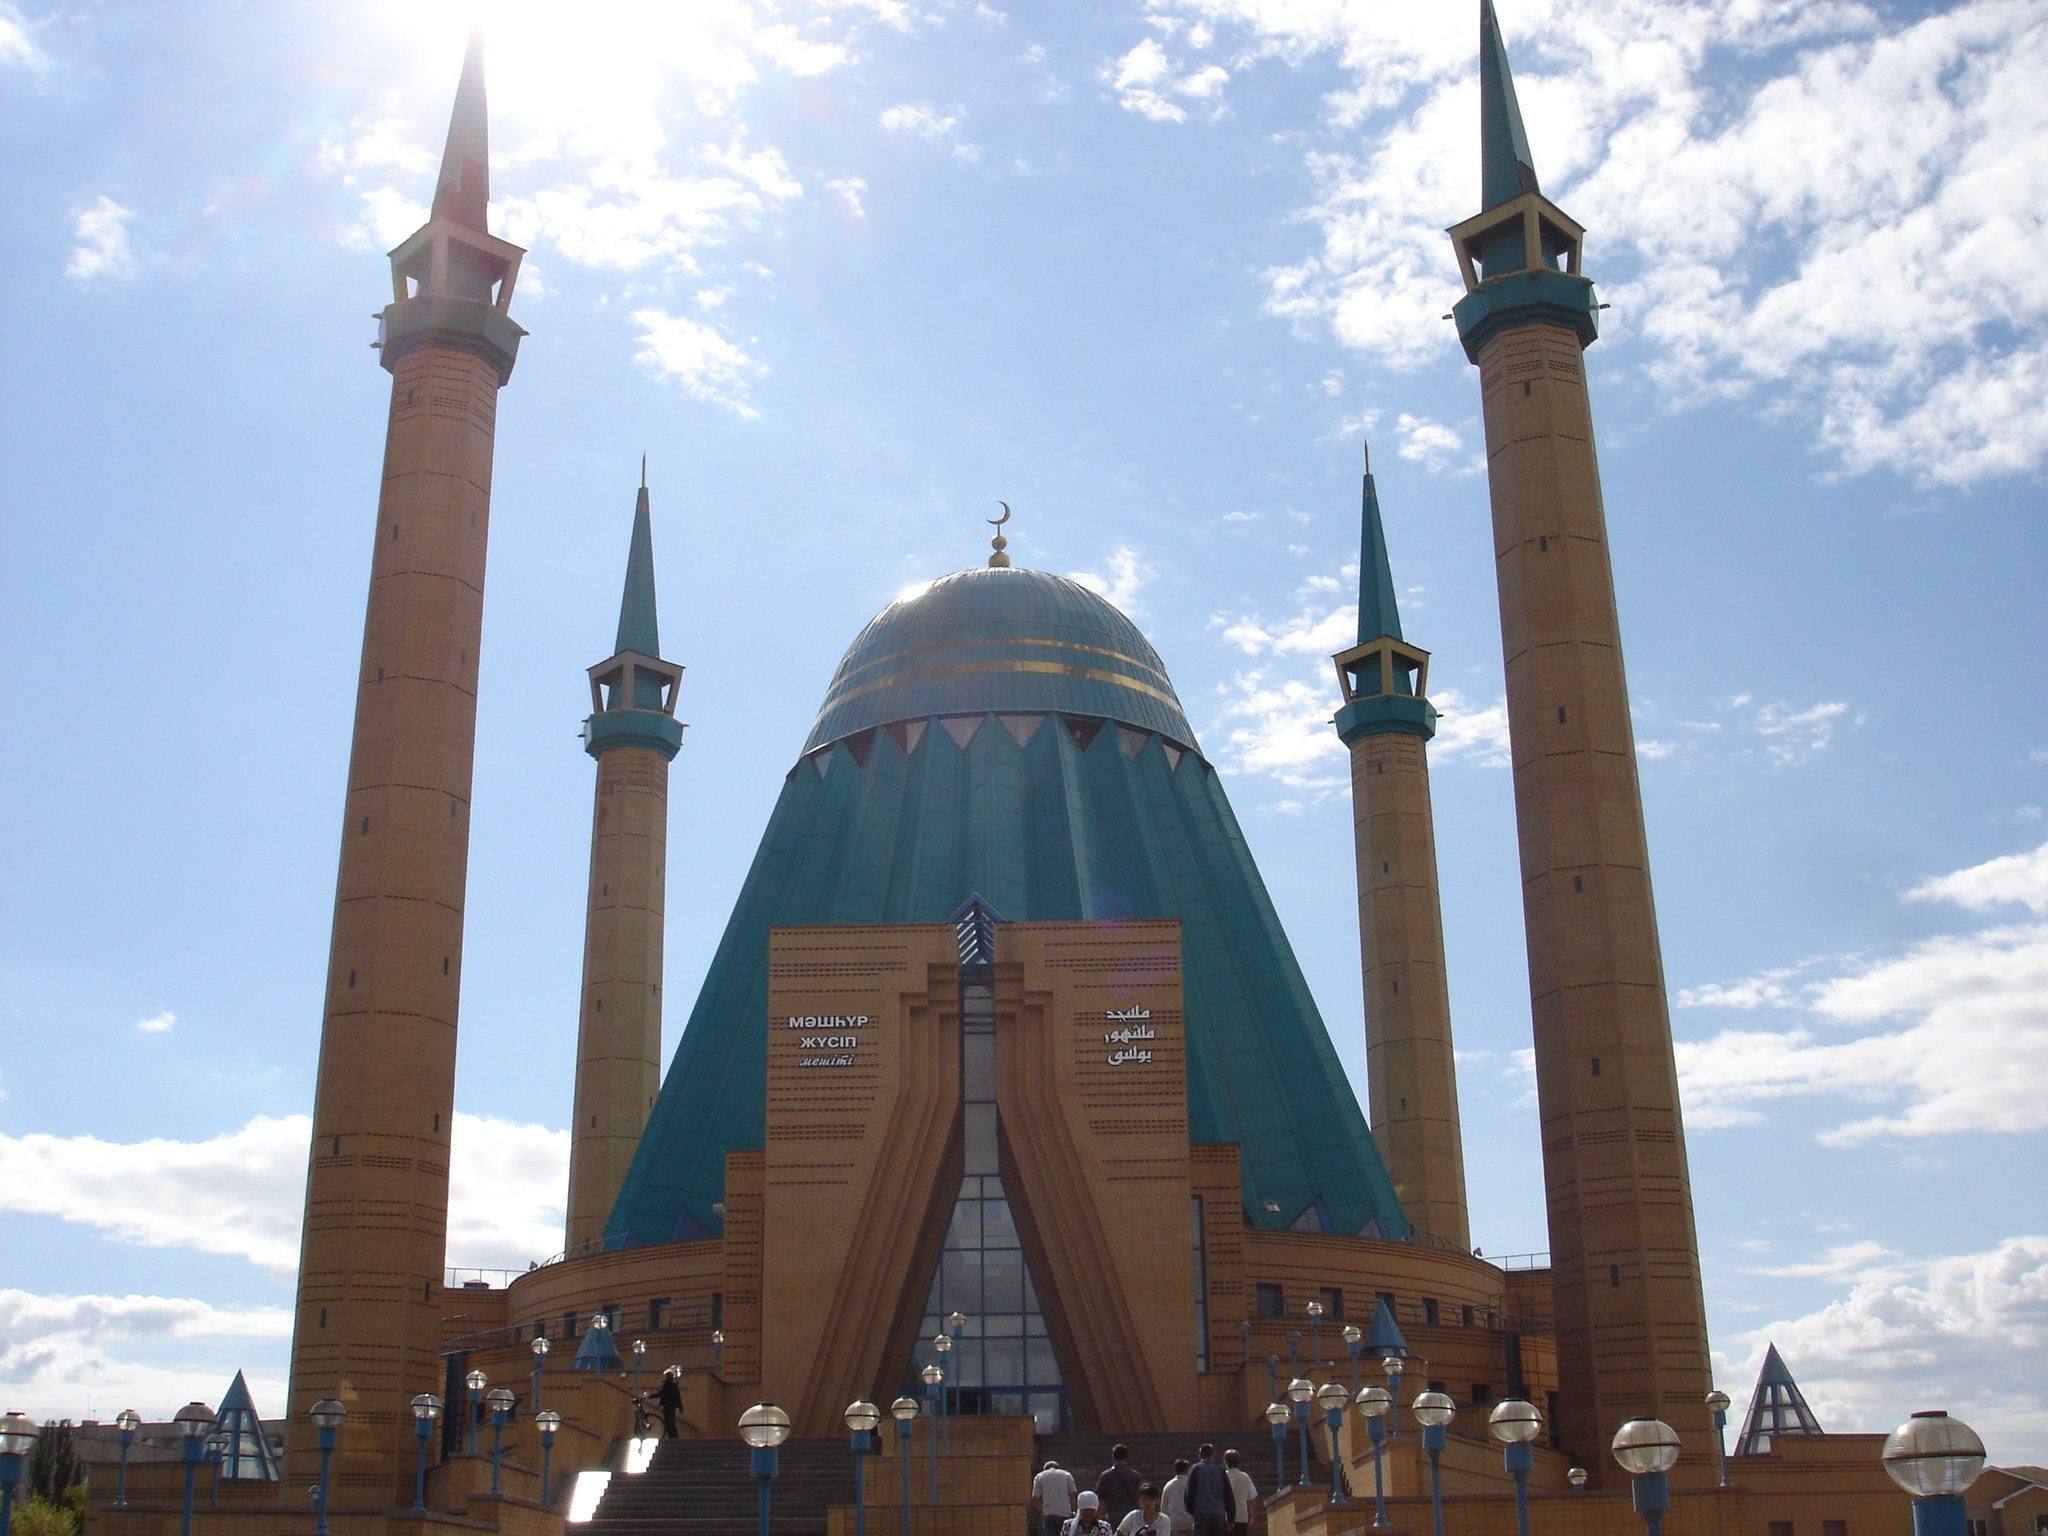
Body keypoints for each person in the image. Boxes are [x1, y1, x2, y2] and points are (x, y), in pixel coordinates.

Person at [1186, 1444, 1233, 1536]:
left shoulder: (1196, 1469)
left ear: (1200, 1455)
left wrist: (1192, 1510)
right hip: (1218, 1513)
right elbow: (1228, 1494)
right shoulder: (1220, 1470)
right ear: (1213, 1455)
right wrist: (1231, 1518)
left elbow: (1189, 1493)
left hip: (1201, 1512)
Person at [1096, 1445, 1144, 1528]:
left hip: (1112, 1514)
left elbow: (1098, 1497)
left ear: (1113, 1457)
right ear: (1127, 1457)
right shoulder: (1135, 1475)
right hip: (1130, 1513)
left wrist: (1099, 1515)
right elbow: (1141, 1495)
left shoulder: (1106, 1476)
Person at [1033, 1460, 1080, 1536]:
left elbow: (1035, 1497)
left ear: (1045, 1469)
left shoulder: (1039, 1476)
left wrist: (1042, 1512)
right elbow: (1073, 1493)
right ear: (1058, 1468)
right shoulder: (1067, 1475)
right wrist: (1073, 1509)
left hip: (1049, 1514)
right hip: (1065, 1513)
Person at [1222, 1450, 1257, 1536]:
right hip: (1242, 1517)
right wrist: (1254, 1516)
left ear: (1225, 1462)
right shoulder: (1245, 1477)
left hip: (1225, 1517)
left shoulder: (1222, 1476)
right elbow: (1251, 1498)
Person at [1160, 1460, 1193, 1536]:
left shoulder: (1169, 1485)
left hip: (1174, 1523)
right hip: (1190, 1521)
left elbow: (1164, 1506)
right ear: (1187, 1469)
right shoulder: (1191, 1484)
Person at [655, 1366, 683, 1438]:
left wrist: (650, 1396)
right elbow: (678, 1397)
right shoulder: (674, 1386)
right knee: (672, 1421)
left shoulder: (666, 1385)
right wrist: (680, 1407)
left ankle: (671, 1436)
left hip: (667, 1406)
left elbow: (660, 1394)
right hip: (673, 1406)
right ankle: (675, 1436)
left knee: (668, 1422)